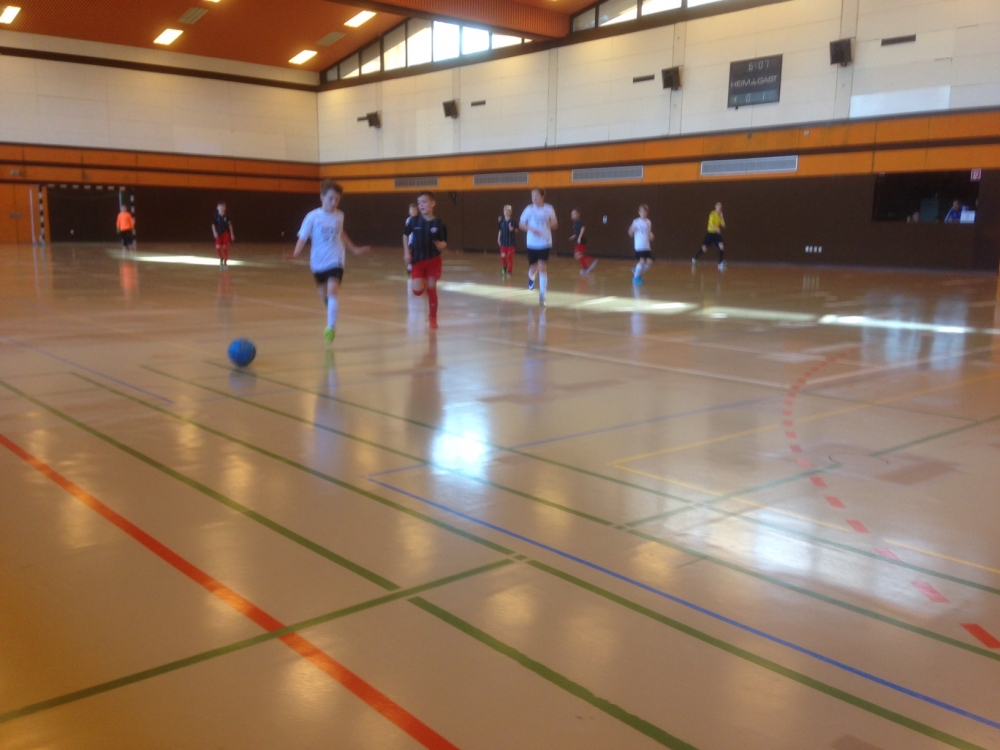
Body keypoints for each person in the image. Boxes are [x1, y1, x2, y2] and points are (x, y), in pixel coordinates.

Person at [292, 180, 370, 345]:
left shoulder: (339, 215)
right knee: (324, 292)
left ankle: (330, 328)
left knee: (333, 291)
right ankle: (327, 301)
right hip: (318, 261)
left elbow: (341, 233)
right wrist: (296, 253)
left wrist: (354, 248)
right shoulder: (313, 217)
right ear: (322, 197)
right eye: (331, 198)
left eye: (337, 199)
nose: (334, 202)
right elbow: (303, 237)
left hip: (336, 259)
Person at [405, 191, 448, 330]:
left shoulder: (439, 223)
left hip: (433, 260)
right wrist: (406, 252)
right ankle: (422, 281)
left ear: (432, 203)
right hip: (417, 260)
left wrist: (441, 245)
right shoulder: (413, 221)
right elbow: (405, 234)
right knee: (417, 291)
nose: (421, 205)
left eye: (424, 202)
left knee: (431, 288)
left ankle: (433, 317)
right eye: (419, 203)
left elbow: (444, 241)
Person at [519, 188, 557, 306]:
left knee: (542, 267)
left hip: (545, 242)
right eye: (532, 196)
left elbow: (555, 224)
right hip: (532, 243)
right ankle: (531, 278)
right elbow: (521, 224)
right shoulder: (529, 209)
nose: (534, 198)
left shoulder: (549, 208)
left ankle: (542, 295)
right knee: (533, 268)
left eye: (536, 195)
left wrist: (551, 224)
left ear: (542, 196)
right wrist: (530, 229)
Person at [693, 202, 726, 270]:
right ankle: (695, 258)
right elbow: (710, 223)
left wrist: (722, 217)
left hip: (716, 234)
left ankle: (720, 263)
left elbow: (723, 225)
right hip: (710, 233)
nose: (719, 208)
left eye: (720, 207)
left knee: (721, 246)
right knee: (704, 248)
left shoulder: (720, 215)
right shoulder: (712, 214)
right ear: (715, 207)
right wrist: (716, 228)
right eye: (718, 206)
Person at [628, 204, 654, 284]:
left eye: (645, 212)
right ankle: (635, 278)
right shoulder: (636, 222)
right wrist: (632, 230)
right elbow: (630, 233)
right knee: (642, 261)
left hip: (647, 246)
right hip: (639, 245)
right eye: (642, 211)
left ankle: (637, 271)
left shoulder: (648, 222)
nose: (643, 213)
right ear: (639, 212)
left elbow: (649, 232)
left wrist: (651, 235)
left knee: (649, 262)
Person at [569, 209, 597, 276]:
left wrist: (579, 237)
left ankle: (591, 261)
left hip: (581, 240)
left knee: (577, 255)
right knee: (579, 255)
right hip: (579, 240)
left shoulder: (578, 221)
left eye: (574, 213)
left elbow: (583, 228)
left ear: (578, 214)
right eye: (572, 214)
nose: (572, 215)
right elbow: (578, 231)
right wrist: (574, 236)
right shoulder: (575, 222)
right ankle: (585, 268)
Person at [212, 202, 235, 266]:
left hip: (226, 233)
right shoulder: (215, 216)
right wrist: (214, 232)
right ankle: (221, 258)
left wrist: (232, 234)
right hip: (218, 233)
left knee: (225, 247)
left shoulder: (227, 216)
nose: (221, 208)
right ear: (217, 208)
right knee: (217, 247)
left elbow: (230, 225)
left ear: (225, 208)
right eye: (220, 206)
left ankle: (225, 261)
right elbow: (213, 225)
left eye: (223, 206)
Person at [498, 205, 518, 277]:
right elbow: (500, 230)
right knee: (503, 256)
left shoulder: (513, 221)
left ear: (511, 212)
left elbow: (517, 230)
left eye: (508, 211)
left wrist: (513, 229)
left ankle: (510, 271)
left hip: (511, 242)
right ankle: (505, 266)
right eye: (505, 210)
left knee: (509, 256)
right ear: (503, 212)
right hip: (504, 242)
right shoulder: (501, 221)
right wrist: (498, 238)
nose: (506, 212)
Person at [402, 203, 418, 276]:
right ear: (409, 212)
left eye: (414, 210)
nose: (413, 211)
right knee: (410, 256)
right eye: (412, 210)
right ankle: (409, 269)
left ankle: (413, 270)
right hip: (411, 242)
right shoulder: (409, 220)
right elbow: (406, 233)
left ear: (417, 211)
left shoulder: (420, 219)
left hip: (417, 242)